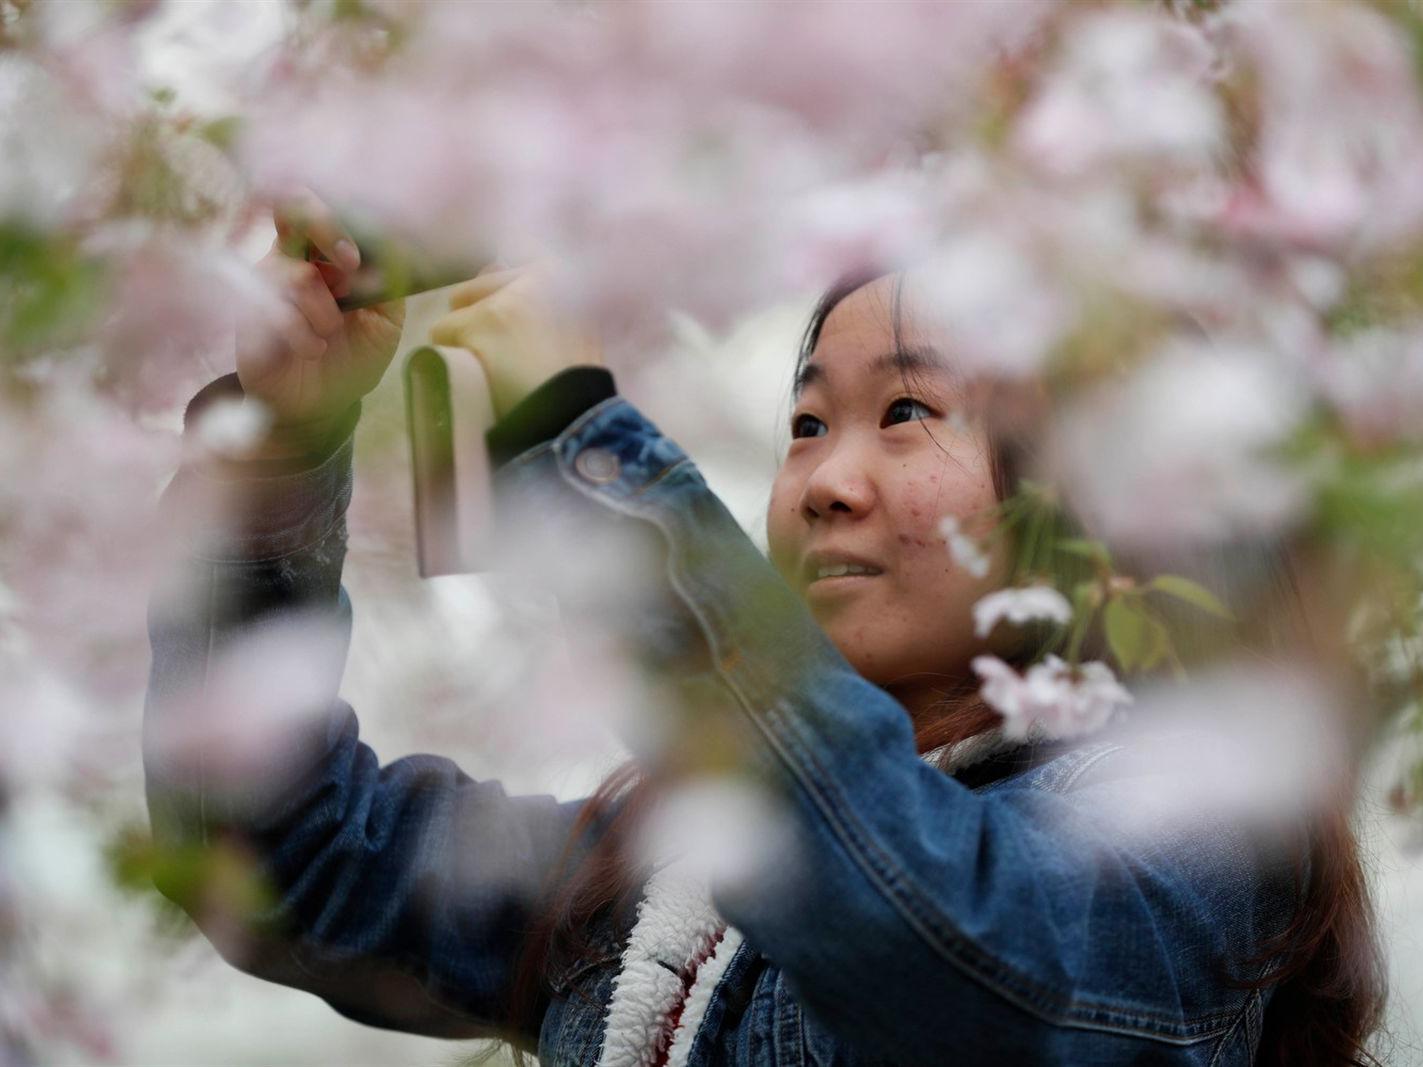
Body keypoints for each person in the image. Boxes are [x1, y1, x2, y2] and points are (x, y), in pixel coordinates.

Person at [142, 199, 1386, 1067]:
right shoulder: (661, 863)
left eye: (907, 410)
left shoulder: (1187, 833)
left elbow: (959, 952)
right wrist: (279, 449)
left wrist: (581, 445)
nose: (826, 482)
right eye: (805, 424)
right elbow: (285, 862)